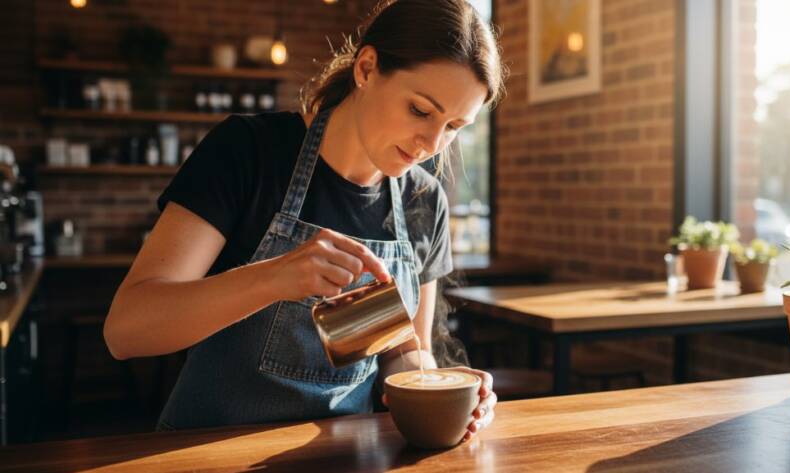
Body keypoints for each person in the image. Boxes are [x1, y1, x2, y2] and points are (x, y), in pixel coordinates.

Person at [103, 0, 505, 442]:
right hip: (206, 453)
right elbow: (126, 331)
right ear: (367, 69)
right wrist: (273, 278)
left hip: (342, 457)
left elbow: (404, 355)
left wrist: (442, 392)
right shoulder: (248, 152)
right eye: (420, 110)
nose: (432, 143)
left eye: (454, 126)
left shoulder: (424, 200)